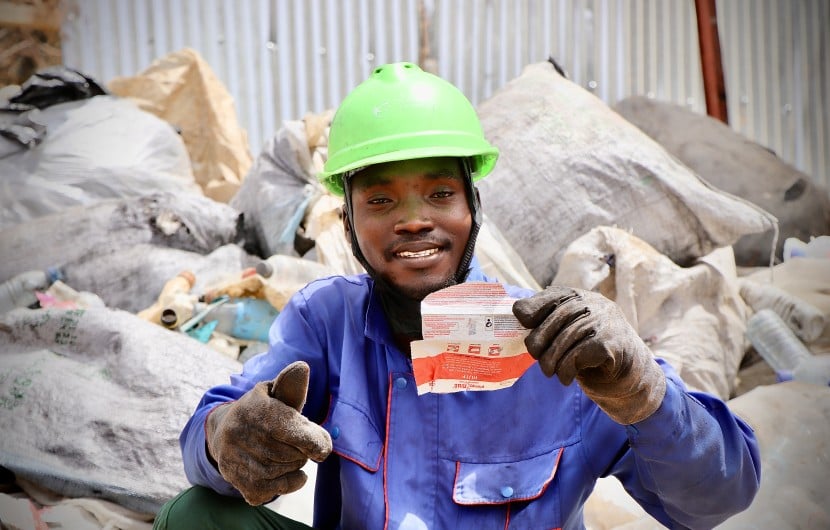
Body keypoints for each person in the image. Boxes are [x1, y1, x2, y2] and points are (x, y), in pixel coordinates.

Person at [154, 62, 760, 529]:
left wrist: (641, 393)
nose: (415, 220)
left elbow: (718, 497)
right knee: (197, 517)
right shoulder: (325, 321)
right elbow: (214, 435)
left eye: (440, 194)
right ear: (348, 227)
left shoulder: (559, 345)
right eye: (382, 201)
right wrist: (226, 437)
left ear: (474, 208)